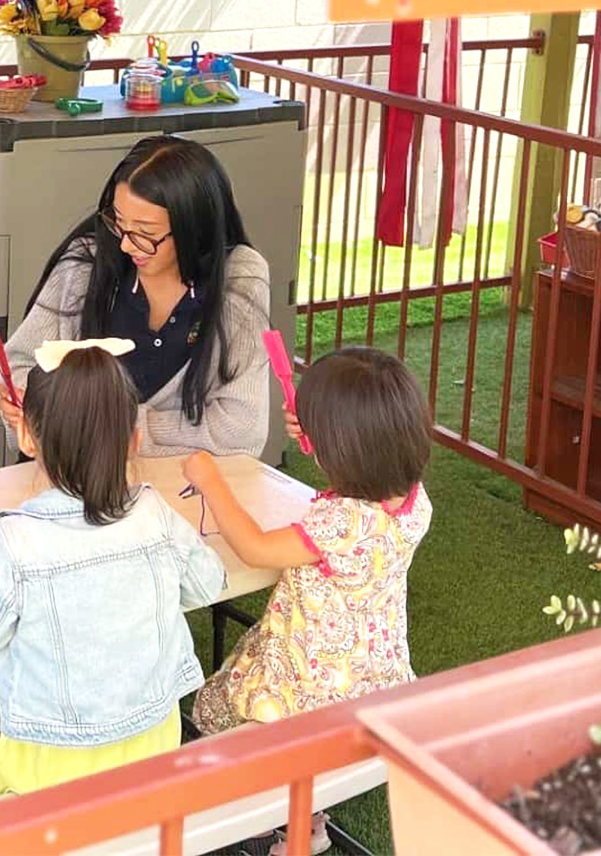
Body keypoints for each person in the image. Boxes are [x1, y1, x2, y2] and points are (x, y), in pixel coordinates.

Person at [0, 340, 225, 797]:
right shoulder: (153, 513)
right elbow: (207, 583)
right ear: (134, 440)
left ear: (27, 435)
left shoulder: (15, 537)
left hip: (50, 760)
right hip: (153, 742)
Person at [183, 346, 433, 856]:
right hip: (372, 682)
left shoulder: (336, 524)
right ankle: (311, 821)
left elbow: (253, 547)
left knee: (215, 729)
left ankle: (270, 820)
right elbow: (364, 478)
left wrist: (211, 482)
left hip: (303, 692)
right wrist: (323, 442)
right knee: (307, 755)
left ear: (342, 448)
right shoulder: (414, 501)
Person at [0, 135, 271, 459]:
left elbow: (242, 431)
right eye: (119, 222)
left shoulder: (239, 278)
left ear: (193, 231)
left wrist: (108, 426)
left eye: (145, 234)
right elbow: (20, 366)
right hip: (74, 482)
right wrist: (22, 402)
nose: (126, 246)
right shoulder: (89, 261)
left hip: (186, 491)